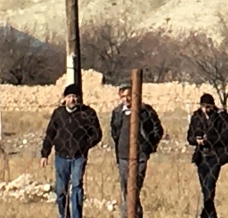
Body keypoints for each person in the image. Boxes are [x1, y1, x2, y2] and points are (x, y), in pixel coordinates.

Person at [40, 83, 104, 218]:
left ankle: (76, 216)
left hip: (78, 157)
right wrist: (45, 154)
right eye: (69, 96)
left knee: (76, 187)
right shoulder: (59, 113)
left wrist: (85, 145)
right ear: (64, 98)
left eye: (75, 96)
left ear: (79, 98)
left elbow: (97, 134)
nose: (72, 100)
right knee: (60, 189)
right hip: (61, 156)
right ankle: (63, 215)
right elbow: (50, 133)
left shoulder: (87, 113)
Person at [109, 83, 165, 218]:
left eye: (129, 96)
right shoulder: (117, 113)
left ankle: (130, 214)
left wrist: (149, 146)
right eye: (123, 97)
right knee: (125, 189)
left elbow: (158, 130)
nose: (126, 99)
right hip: (123, 155)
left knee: (134, 188)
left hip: (140, 156)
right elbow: (114, 131)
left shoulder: (146, 111)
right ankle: (133, 214)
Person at [186, 93, 228, 218]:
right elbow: (189, 136)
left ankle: (208, 215)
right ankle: (209, 215)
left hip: (215, 156)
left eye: (208, 107)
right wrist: (197, 140)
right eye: (203, 106)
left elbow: (226, 135)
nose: (206, 110)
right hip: (201, 156)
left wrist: (210, 139)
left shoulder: (221, 116)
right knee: (205, 189)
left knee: (209, 185)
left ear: (213, 106)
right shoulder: (196, 117)